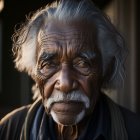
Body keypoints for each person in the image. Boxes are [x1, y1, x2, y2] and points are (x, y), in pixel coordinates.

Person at [0, 0, 140, 139]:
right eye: (48, 64)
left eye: (82, 63)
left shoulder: (133, 130)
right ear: (34, 73)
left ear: (106, 69)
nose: (65, 84)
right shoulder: (10, 129)